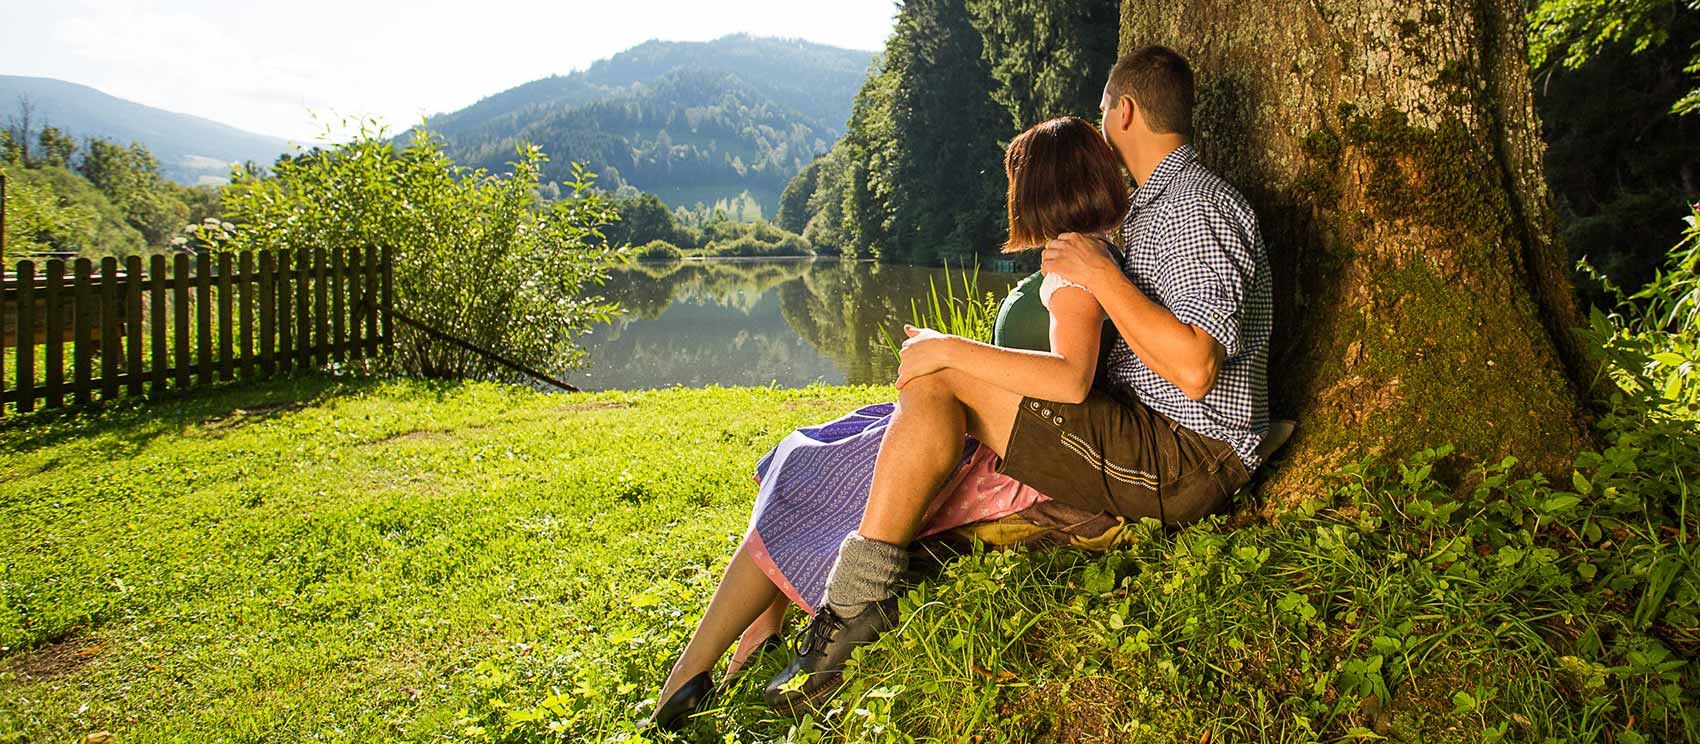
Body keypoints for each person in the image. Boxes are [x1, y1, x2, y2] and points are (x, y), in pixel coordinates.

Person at [761, 43, 1273, 714]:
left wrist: (1099, 278)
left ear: (1123, 112)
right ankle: (848, 602)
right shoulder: (1155, 210)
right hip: (1154, 434)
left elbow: (1196, 368)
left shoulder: (1197, 207)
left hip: (1186, 457)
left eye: (1100, 112)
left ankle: (854, 607)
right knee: (940, 390)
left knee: (942, 380)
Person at [642, 113, 1128, 731]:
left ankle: (693, 669)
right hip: (992, 428)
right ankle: (759, 629)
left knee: (814, 469)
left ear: (1037, 190)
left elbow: (1068, 376)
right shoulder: (1075, 261)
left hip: (1009, 455)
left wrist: (949, 350)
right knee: (810, 450)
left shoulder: (1072, 272)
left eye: (1014, 185)